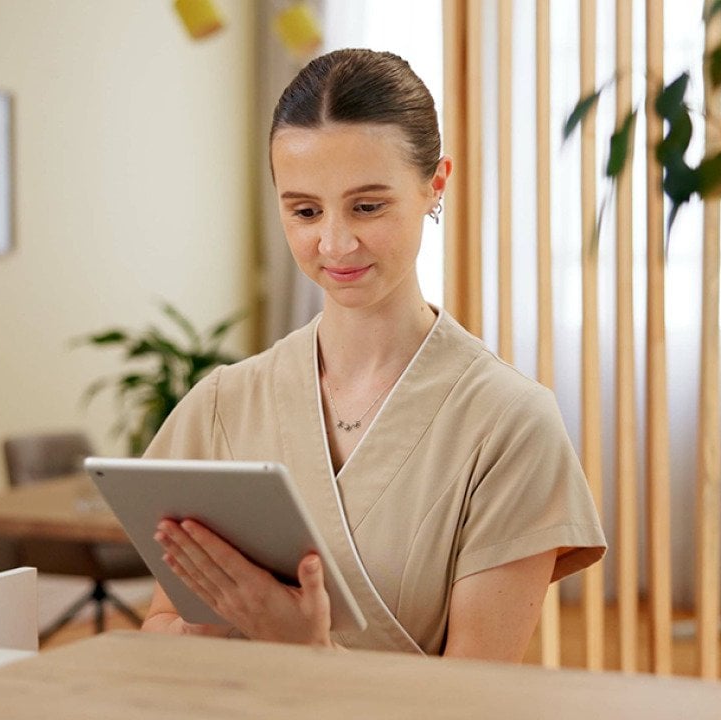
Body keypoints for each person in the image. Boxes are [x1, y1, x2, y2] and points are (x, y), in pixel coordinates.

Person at [140, 48, 605, 661]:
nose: (334, 242)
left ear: (434, 185)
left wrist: (306, 649)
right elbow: (159, 633)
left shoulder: (510, 424)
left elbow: (474, 703)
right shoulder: (222, 406)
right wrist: (219, 621)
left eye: (367, 206)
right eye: (305, 211)